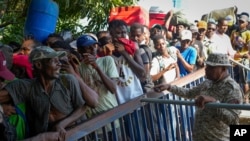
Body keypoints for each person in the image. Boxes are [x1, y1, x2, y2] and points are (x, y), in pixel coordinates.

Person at [0, 46, 95, 139]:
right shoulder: (26, 86)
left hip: (74, 135)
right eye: (54, 61)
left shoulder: (67, 80)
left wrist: (62, 124)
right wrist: (1, 108)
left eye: (59, 60)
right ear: (39, 65)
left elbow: (83, 107)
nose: (59, 64)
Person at [154, 53, 243, 141]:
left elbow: (233, 120)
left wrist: (215, 103)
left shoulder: (232, 89)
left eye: (211, 67)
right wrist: (169, 87)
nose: (206, 69)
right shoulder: (208, 82)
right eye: (206, 66)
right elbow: (189, 93)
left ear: (223, 69)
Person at [76, 34, 120, 140]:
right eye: (88, 47)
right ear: (80, 50)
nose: (93, 49)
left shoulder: (107, 60)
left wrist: (96, 67)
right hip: (94, 121)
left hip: (112, 115)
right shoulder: (78, 69)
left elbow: (113, 88)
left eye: (94, 46)